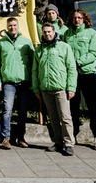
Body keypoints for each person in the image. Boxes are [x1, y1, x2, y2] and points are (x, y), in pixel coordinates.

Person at [32, 21, 77, 156]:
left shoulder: (64, 47)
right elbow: (35, 70)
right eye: (45, 32)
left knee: (65, 117)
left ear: (54, 32)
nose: (47, 34)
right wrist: (36, 89)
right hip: (46, 89)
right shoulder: (39, 50)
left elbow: (72, 69)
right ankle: (58, 142)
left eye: (49, 32)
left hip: (61, 88)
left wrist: (71, 88)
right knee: (53, 118)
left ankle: (69, 143)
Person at [63, 8, 96, 150]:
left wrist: (77, 62)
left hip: (87, 73)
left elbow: (94, 54)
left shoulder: (92, 34)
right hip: (72, 75)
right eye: (74, 18)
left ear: (84, 19)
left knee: (92, 105)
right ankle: (73, 134)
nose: (77, 20)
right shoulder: (67, 34)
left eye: (79, 18)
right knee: (73, 106)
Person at [0, 17, 34, 149]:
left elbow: (34, 63)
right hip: (8, 82)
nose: (12, 27)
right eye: (10, 25)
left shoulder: (26, 43)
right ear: (7, 27)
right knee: (7, 110)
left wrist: (33, 80)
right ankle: (6, 138)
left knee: (22, 111)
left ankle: (21, 138)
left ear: (18, 26)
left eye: (15, 25)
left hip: (24, 82)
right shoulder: (0, 44)